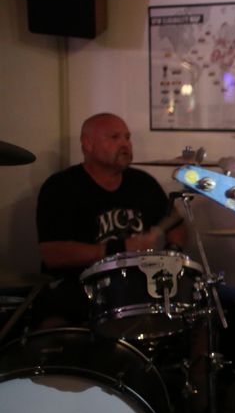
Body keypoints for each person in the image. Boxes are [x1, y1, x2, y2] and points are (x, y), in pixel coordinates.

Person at [34, 112, 187, 328]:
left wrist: (171, 253)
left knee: (196, 310)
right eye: (114, 137)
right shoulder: (61, 187)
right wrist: (121, 248)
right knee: (55, 325)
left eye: (127, 137)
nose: (125, 144)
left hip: (140, 282)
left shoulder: (143, 183)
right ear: (87, 144)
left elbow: (176, 225)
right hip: (79, 286)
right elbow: (53, 254)